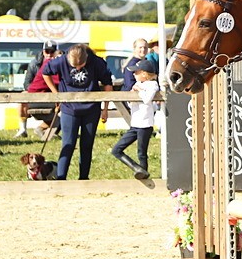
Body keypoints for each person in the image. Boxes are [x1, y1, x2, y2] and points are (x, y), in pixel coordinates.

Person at [40, 44, 113, 180]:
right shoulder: (61, 61)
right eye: (75, 67)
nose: (78, 68)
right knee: (68, 144)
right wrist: (57, 95)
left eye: (81, 66)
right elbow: (45, 72)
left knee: (86, 145)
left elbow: (108, 84)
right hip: (69, 108)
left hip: (91, 109)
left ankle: (83, 178)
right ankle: (61, 178)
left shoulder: (97, 62)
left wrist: (105, 109)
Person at [110, 59, 160, 178]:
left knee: (141, 153)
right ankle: (136, 168)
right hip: (135, 124)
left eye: (136, 72)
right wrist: (133, 94)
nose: (133, 74)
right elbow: (130, 103)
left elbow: (147, 99)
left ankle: (143, 173)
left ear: (144, 74)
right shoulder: (138, 85)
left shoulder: (153, 84)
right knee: (116, 150)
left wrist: (139, 91)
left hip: (145, 124)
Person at [16, 42, 59, 138]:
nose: (49, 54)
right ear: (43, 51)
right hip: (40, 96)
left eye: (52, 52)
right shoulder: (34, 63)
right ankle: (23, 129)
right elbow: (27, 84)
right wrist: (40, 92)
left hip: (50, 95)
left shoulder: (53, 63)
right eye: (47, 51)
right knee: (23, 95)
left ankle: (44, 130)